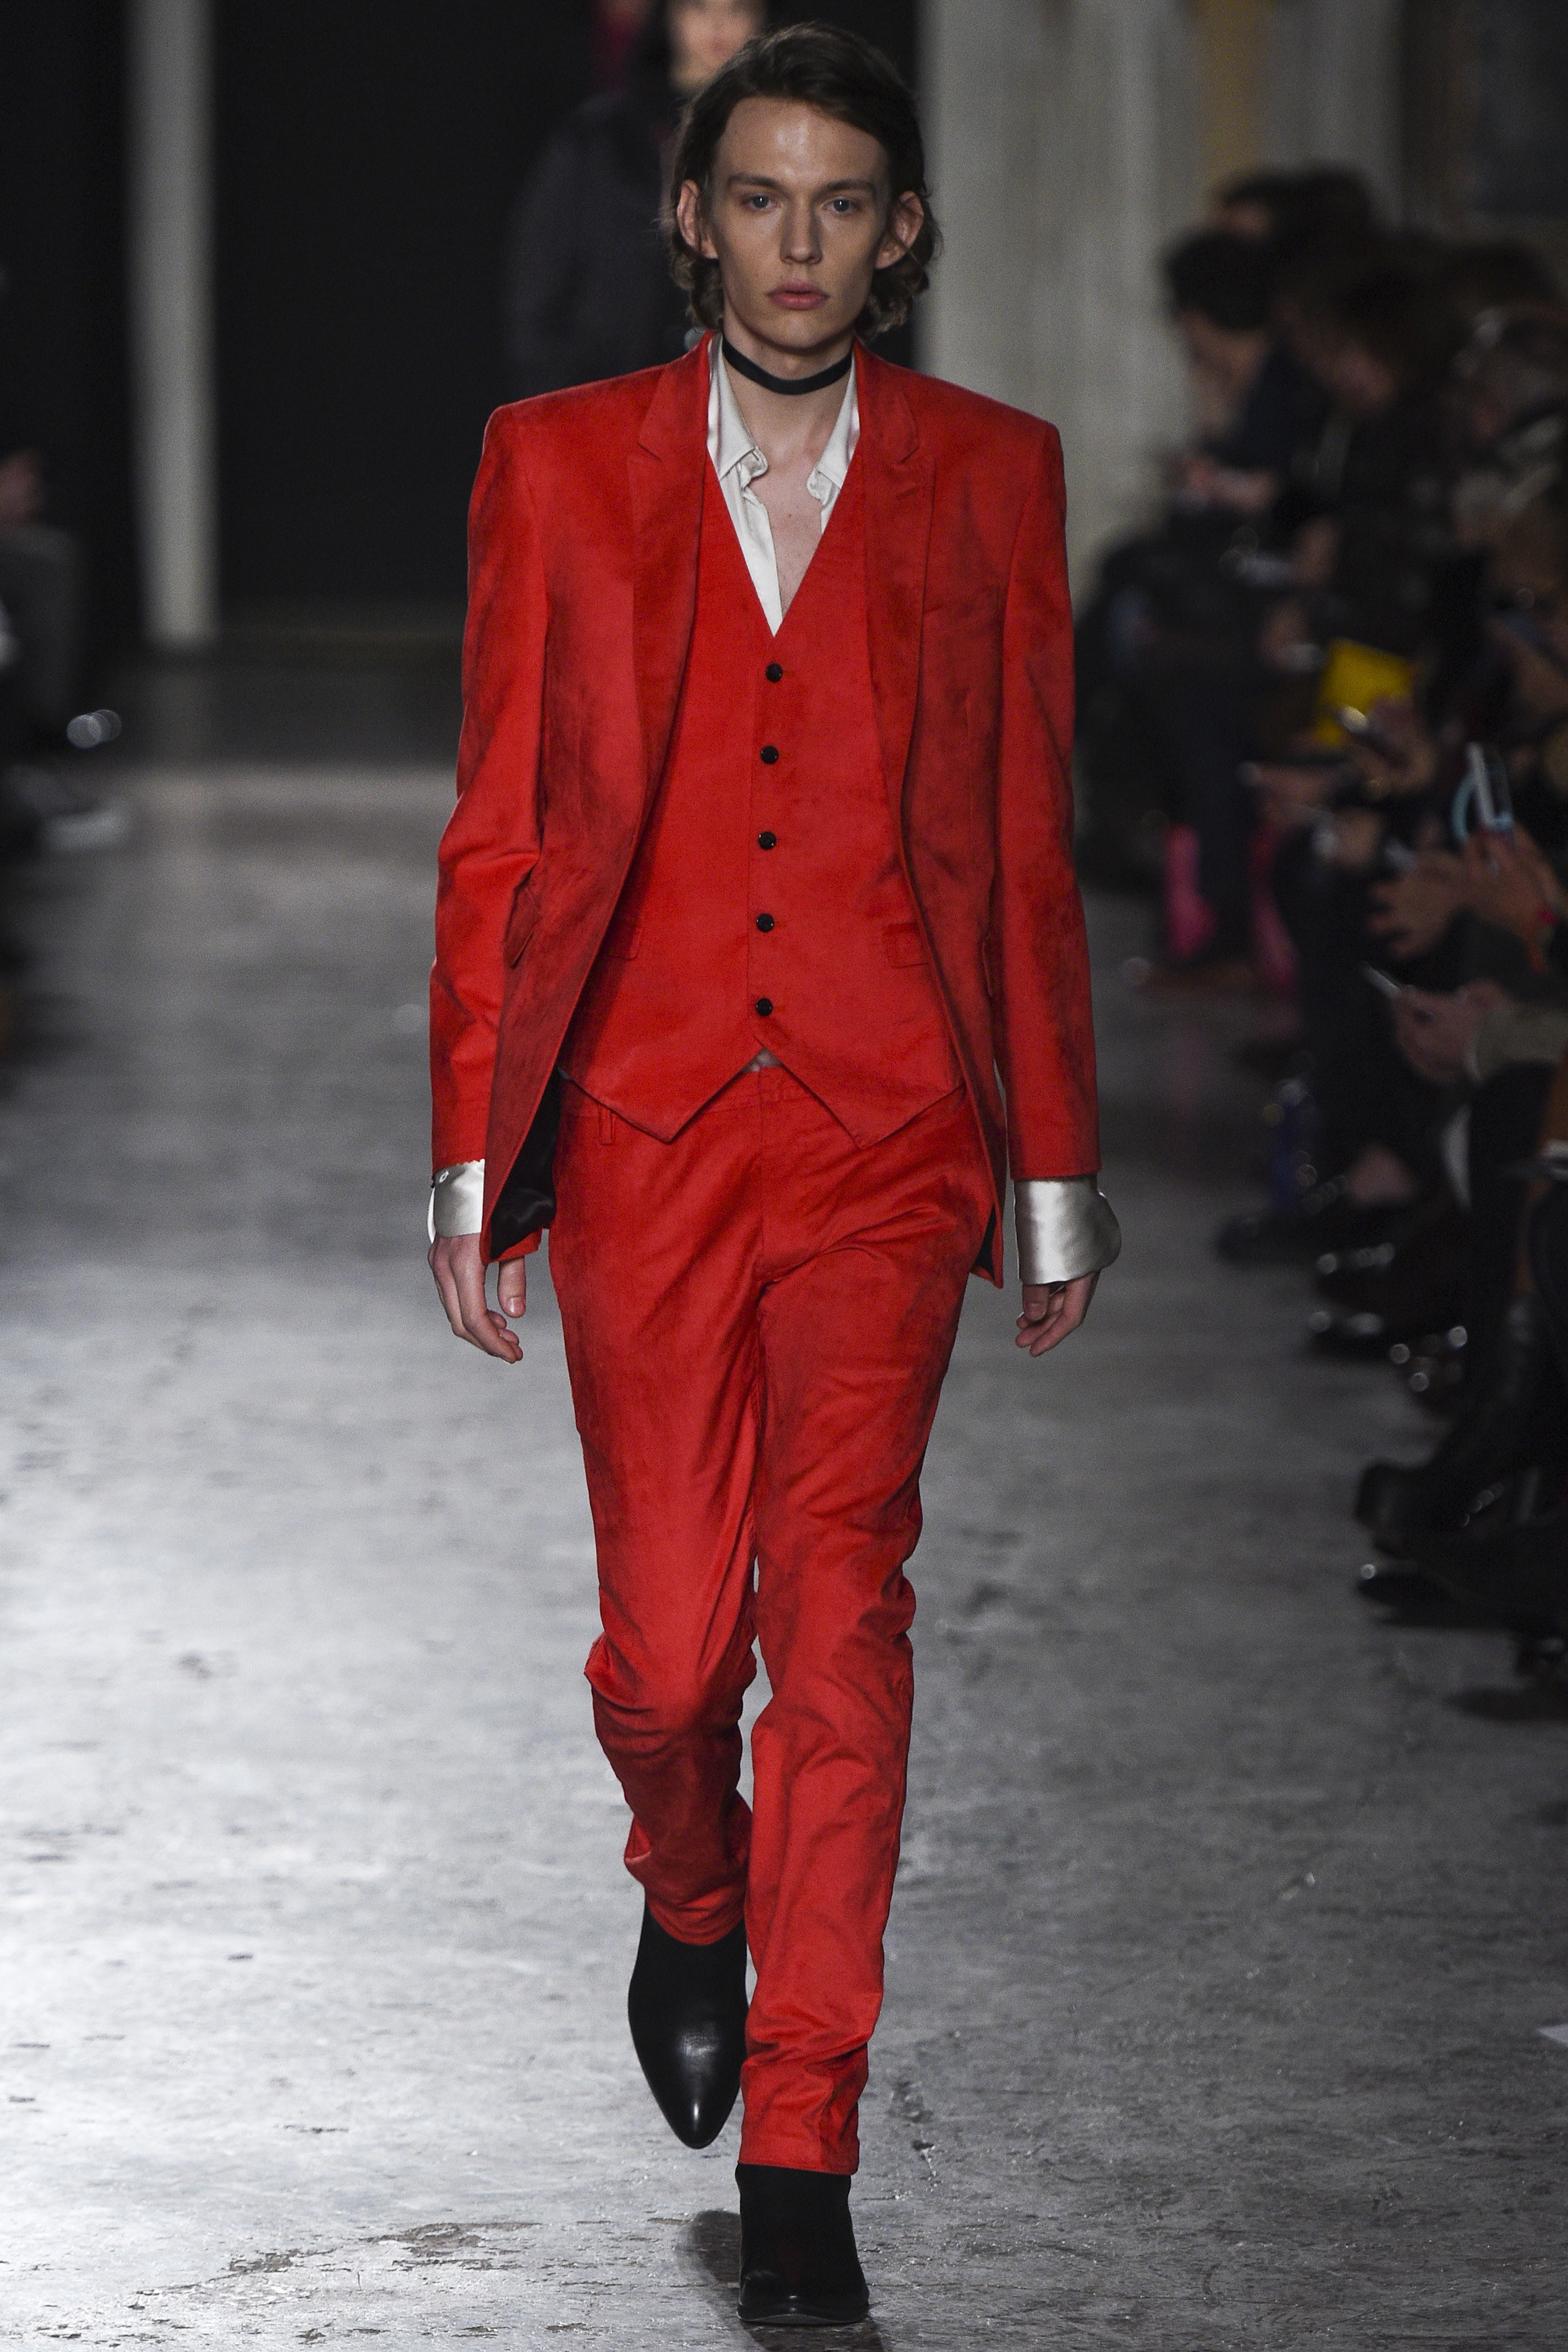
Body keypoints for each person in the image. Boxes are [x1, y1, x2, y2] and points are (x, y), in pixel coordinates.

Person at [430, 24, 1120, 2327]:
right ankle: (687, 1876)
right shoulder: (554, 464)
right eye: (759, 197)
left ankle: (807, 2129)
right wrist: (468, 1154)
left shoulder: (992, 475)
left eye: (839, 202)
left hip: (886, 1132)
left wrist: (1049, 1166)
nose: (796, 243)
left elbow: (1021, 839)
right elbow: (502, 827)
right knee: (667, 1652)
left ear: (897, 232)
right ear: (691, 219)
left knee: (839, 1619)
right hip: (640, 1128)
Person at [503, 0, 765, 398]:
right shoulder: (599, 139)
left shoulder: (783, 141)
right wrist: (564, 400)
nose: (718, 25)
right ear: (668, 14)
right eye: (699, 7)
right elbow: (538, 287)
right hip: (608, 393)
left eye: (738, 9)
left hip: (743, 396)